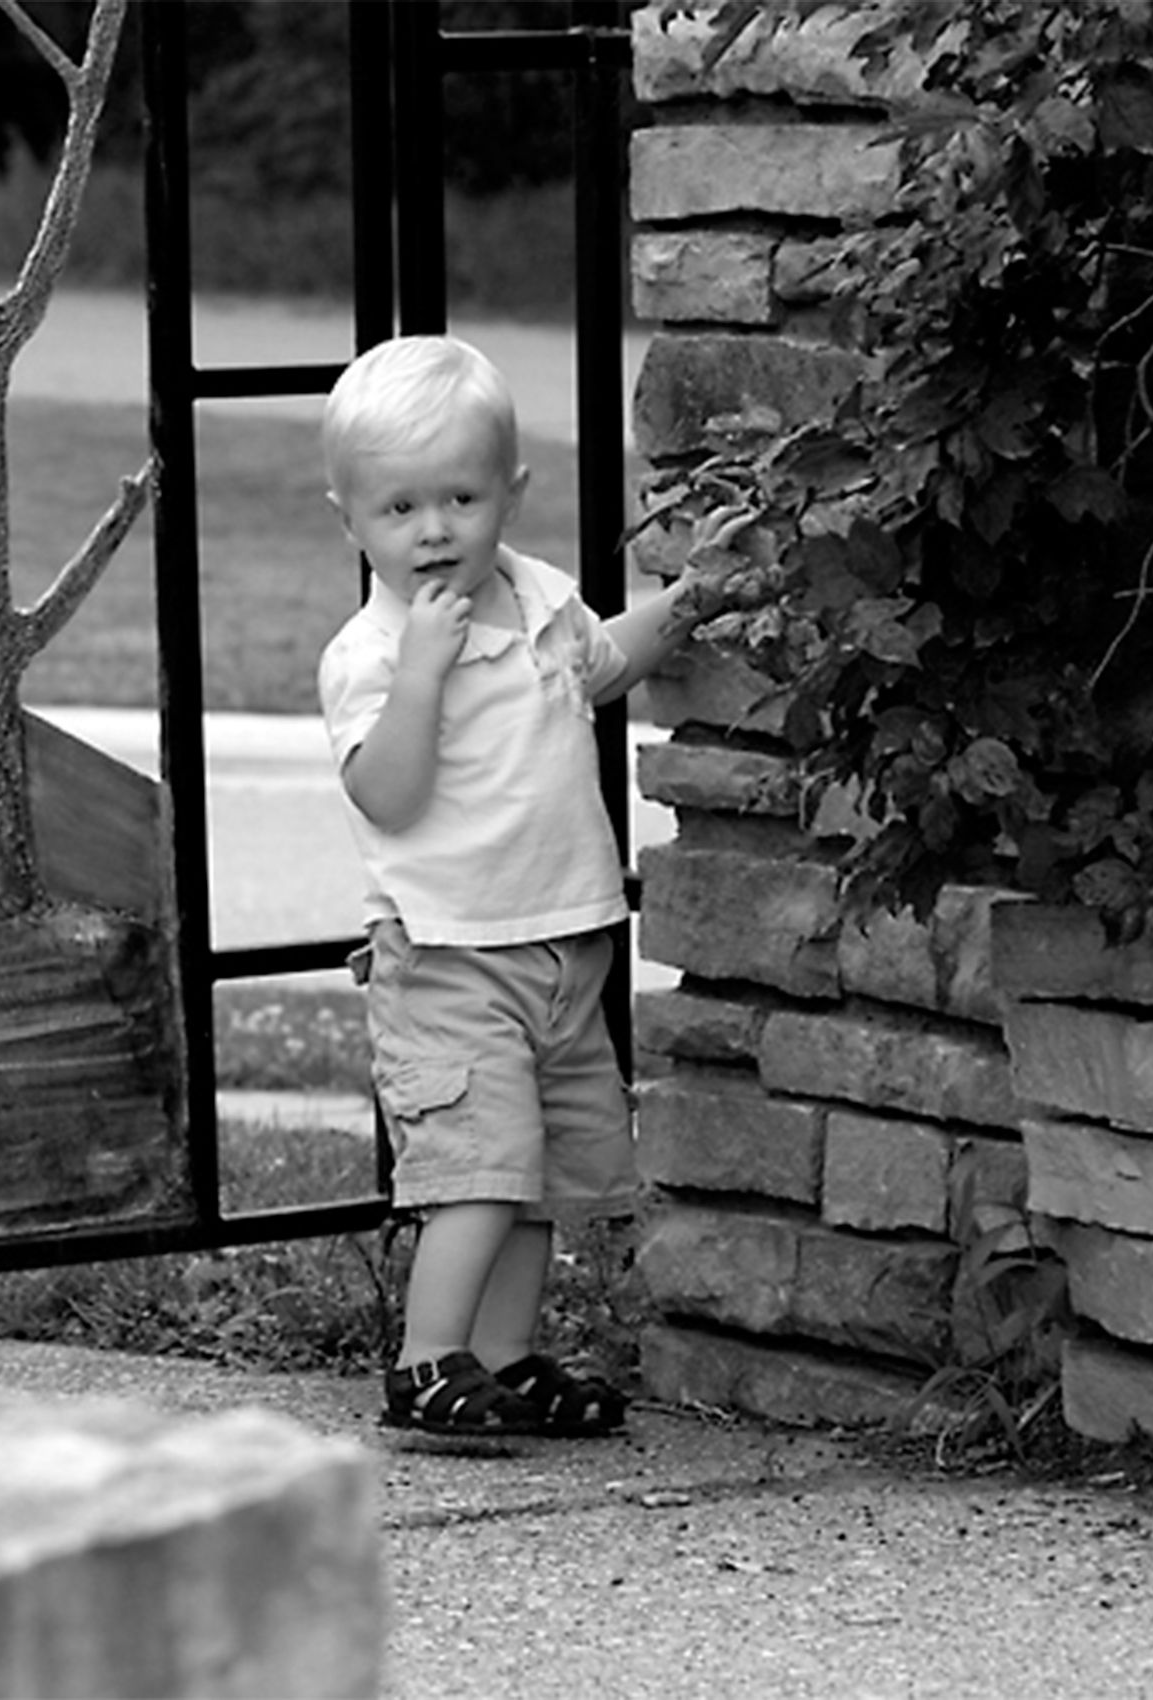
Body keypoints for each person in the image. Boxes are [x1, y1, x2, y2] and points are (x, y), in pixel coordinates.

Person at [317, 334, 706, 1438]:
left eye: (460, 497)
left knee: (533, 1181)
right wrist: (427, 676)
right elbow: (385, 795)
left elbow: (602, 668)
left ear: (510, 495)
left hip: (560, 945)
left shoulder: (537, 597)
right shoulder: (373, 654)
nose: (433, 529)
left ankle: (502, 1353)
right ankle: (426, 1360)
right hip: (446, 955)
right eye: (398, 509)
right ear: (349, 519)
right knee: (476, 1172)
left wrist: (689, 603)